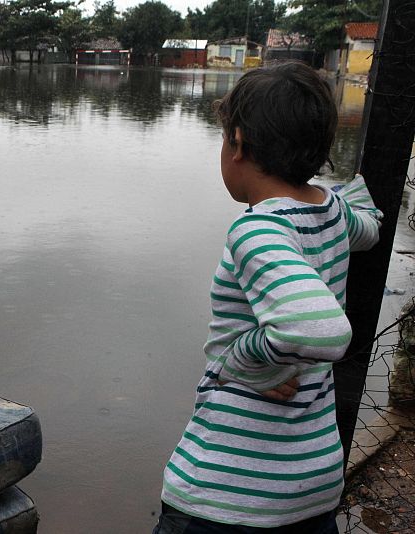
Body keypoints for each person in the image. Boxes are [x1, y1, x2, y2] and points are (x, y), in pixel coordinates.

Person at [154, 61, 382, 533]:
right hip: (309, 486)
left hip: (224, 493)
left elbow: (318, 330)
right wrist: (351, 190)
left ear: (237, 142)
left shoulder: (259, 230)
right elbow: (370, 227)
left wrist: (243, 359)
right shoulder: (333, 213)